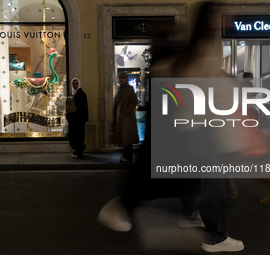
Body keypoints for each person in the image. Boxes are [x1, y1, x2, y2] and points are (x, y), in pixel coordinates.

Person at [97, 2, 245, 253]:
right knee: (209, 184)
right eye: (222, 18)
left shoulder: (187, 55)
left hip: (191, 131)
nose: (226, 22)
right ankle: (216, 237)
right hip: (199, 131)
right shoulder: (197, 54)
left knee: (194, 180)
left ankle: (196, 221)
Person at [113, 72, 139, 162]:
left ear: (126, 79)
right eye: (120, 77)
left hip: (127, 118)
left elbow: (133, 101)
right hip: (122, 118)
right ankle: (126, 155)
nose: (121, 79)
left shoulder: (129, 89)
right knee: (125, 137)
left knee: (128, 138)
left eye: (123, 77)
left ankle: (128, 156)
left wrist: (126, 111)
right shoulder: (121, 89)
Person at [66, 78, 88, 158]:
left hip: (79, 120)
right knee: (73, 136)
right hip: (72, 120)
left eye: (76, 83)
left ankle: (79, 151)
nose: (75, 85)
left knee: (79, 136)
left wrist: (82, 118)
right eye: (74, 83)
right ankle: (76, 150)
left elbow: (84, 108)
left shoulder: (81, 94)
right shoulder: (71, 94)